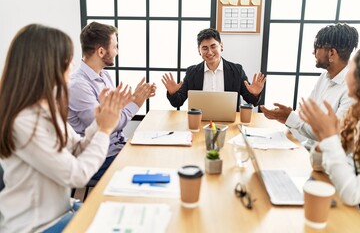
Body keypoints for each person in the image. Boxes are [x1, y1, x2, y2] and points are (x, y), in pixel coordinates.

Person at [0, 24, 133, 232]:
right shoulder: (23, 122)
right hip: (36, 226)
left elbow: (77, 148)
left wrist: (99, 122)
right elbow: (77, 175)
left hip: (62, 212)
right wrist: (105, 130)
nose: (72, 65)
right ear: (46, 66)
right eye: (66, 59)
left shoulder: (45, 110)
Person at [68, 21, 156, 181]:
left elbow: (114, 113)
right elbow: (106, 125)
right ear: (101, 51)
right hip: (99, 157)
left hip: (116, 147)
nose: (117, 52)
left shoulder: (104, 75)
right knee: (149, 166)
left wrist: (132, 98)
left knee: (155, 153)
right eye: (115, 46)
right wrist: (135, 103)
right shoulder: (77, 86)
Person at [260, 23, 358, 150]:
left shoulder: (352, 90)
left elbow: (332, 135)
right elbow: (305, 118)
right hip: (309, 150)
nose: (313, 52)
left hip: (327, 160)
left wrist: (290, 118)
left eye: (317, 48)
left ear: (332, 53)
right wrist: (287, 119)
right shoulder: (324, 78)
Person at [299, 49, 360, 206]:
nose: (346, 75)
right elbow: (319, 165)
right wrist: (324, 142)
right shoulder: (354, 115)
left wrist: (329, 139)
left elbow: (353, 195)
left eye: (350, 69)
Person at [162, 28, 266, 111]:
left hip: (228, 122)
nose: (210, 52)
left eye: (213, 46)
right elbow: (177, 103)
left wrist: (255, 94)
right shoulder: (192, 72)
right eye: (205, 48)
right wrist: (172, 93)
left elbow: (251, 102)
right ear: (199, 50)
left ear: (221, 46)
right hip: (199, 121)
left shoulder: (236, 70)